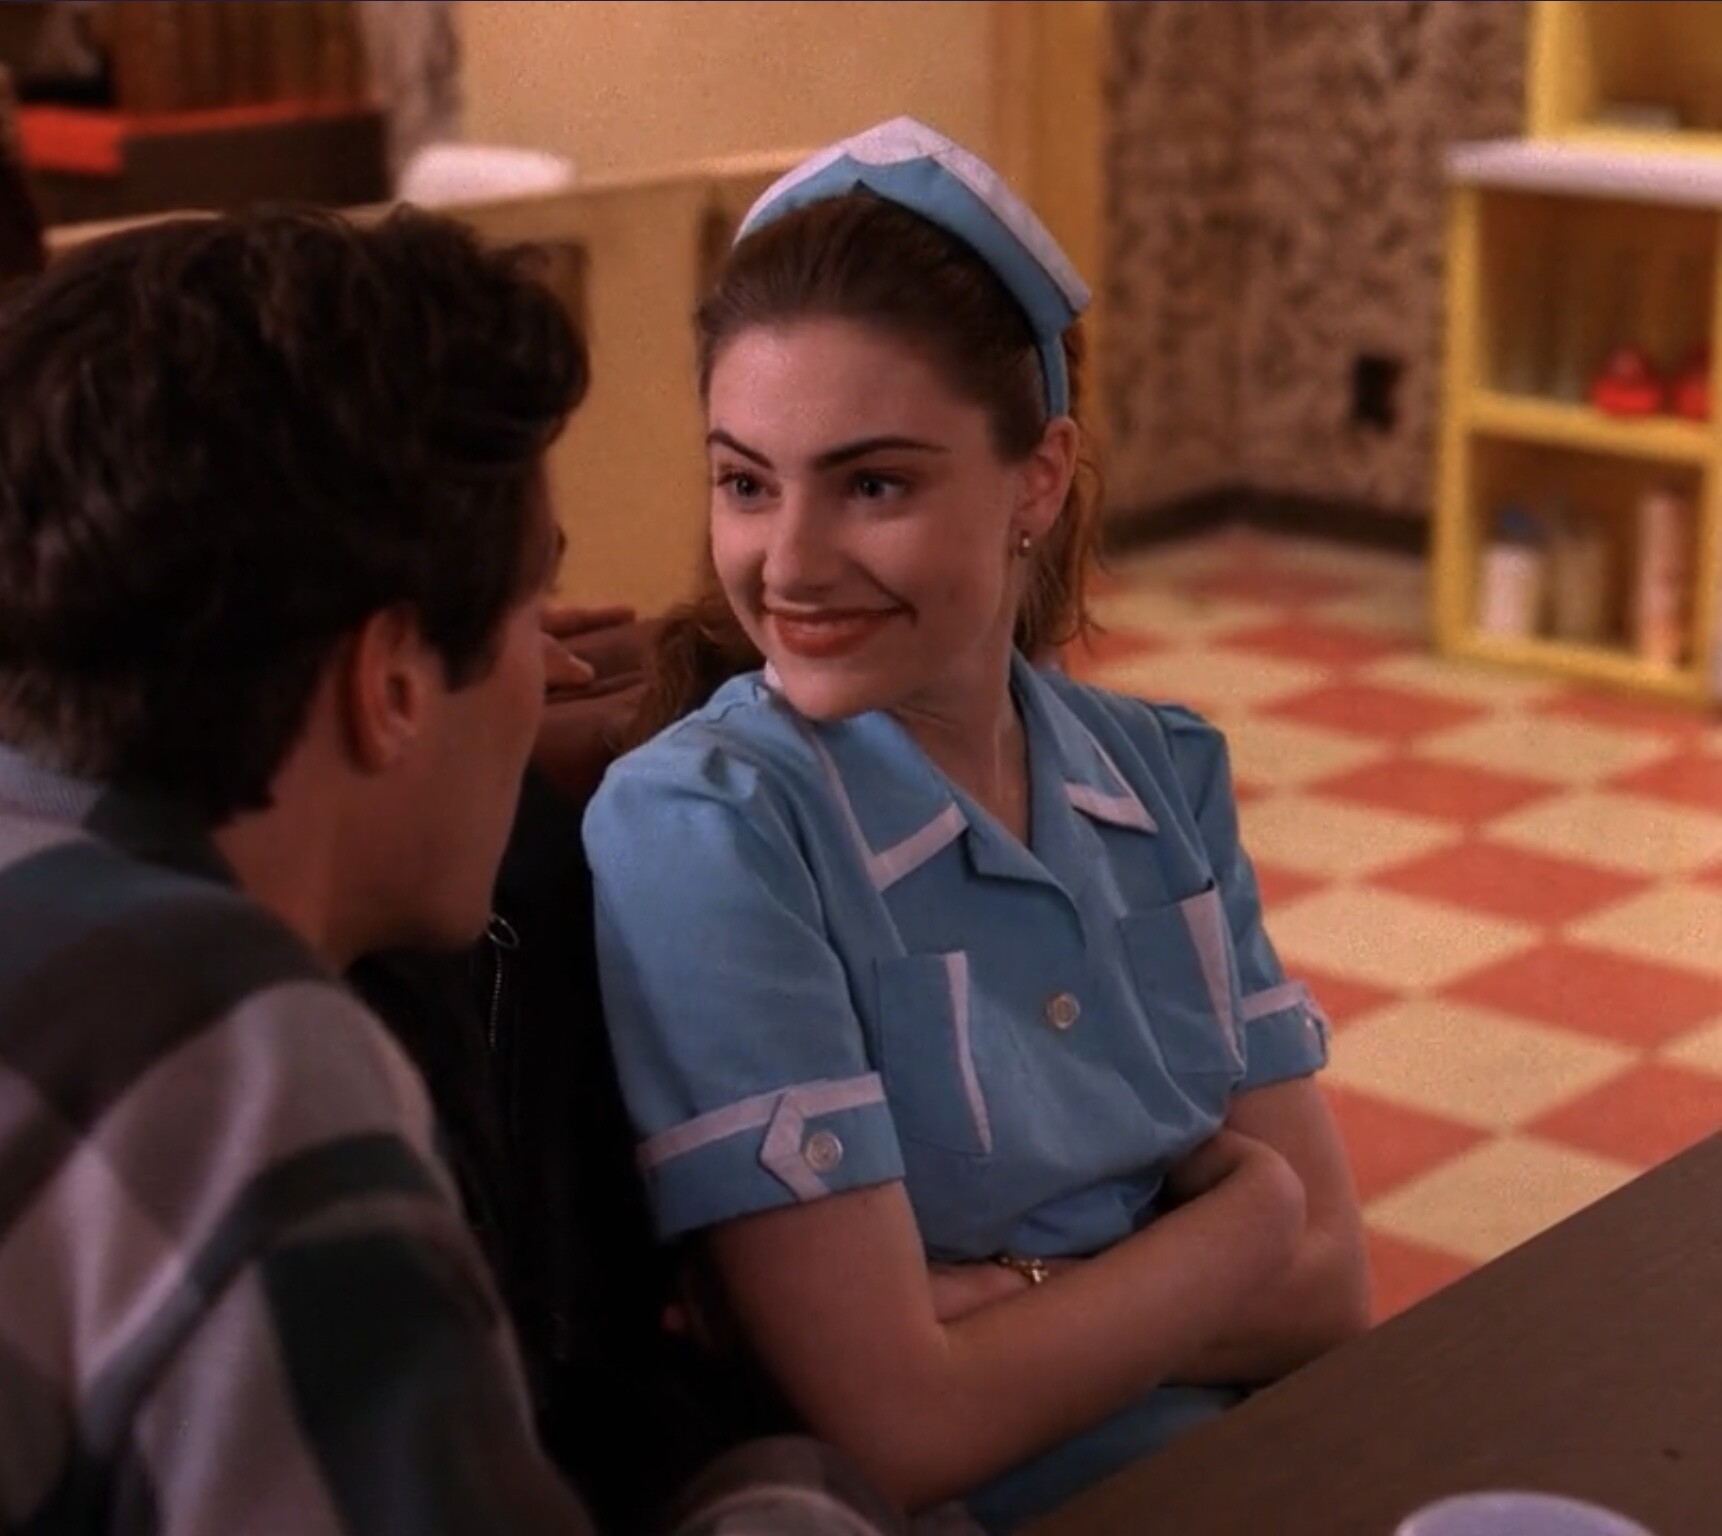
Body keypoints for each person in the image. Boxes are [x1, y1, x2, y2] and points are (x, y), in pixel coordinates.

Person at [0, 203, 900, 1536]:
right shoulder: (237, 1061)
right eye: (528, 610)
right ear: (389, 684)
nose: (555, 668)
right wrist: (789, 1483)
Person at [583, 118, 1372, 1533]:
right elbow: (899, 1427)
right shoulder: (710, 826)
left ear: (1037, 479)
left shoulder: (1161, 773)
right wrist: (1245, 1216)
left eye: (873, 484)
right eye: (746, 482)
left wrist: (1008, 1310)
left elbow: (1331, 1293)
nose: (789, 563)